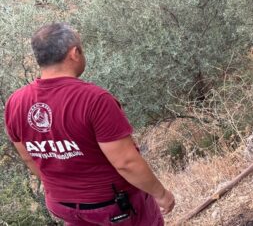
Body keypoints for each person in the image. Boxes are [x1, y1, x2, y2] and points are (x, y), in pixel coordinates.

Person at [3, 23, 175, 225]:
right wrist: (161, 193)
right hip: (114, 205)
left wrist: (63, 188)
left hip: (63, 205)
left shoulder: (15, 102)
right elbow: (126, 163)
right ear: (74, 53)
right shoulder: (94, 99)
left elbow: (29, 158)